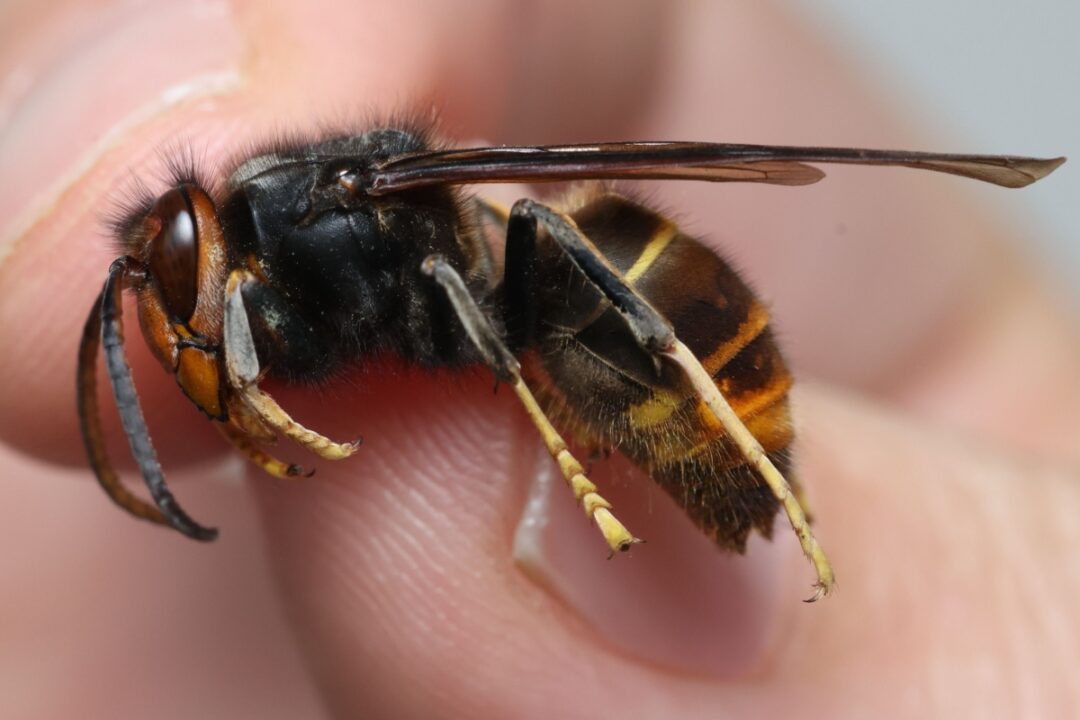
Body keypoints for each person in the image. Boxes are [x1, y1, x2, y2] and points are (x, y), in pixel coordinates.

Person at [0, 2, 1076, 717]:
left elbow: (422, 284)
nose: (185, 317)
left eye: (179, 282)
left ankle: (715, 440)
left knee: (546, 237)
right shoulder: (253, 275)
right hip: (545, 339)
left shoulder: (307, 217)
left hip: (622, 323)